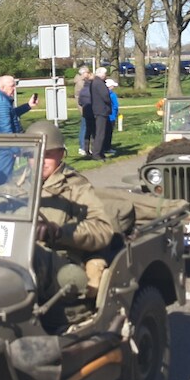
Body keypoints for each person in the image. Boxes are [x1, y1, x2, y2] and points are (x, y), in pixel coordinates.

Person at [23, 121, 119, 301]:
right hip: (16, 255)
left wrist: (59, 231)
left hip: (59, 261)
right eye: (33, 154)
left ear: (61, 154)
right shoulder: (17, 183)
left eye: (48, 155)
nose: (40, 161)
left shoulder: (76, 187)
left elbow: (103, 229)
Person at [0, 75, 38, 185]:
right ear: (2, 87)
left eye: (15, 85)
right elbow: (6, 128)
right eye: (11, 86)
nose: (14, 88)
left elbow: (12, 114)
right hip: (5, 146)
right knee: (3, 179)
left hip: (1, 144)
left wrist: (28, 105)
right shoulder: (1, 102)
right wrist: (14, 149)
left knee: (1, 175)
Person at [89, 67, 112, 160]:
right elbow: (105, 96)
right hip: (101, 110)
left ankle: (100, 152)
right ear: (102, 74)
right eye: (105, 74)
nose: (106, 76)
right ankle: (97, 153)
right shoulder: (99, 83)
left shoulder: (95, 82)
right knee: (100, 133)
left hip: (97, 109)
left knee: (100, 132)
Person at [73, 66, 92, 156]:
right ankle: (82, 147)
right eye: (87, 72)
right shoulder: (81, 83)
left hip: (84, 108)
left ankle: (85, 147)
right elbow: (81, 98)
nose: (88, 74)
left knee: (86, 128)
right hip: (84, 109)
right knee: (84, 128)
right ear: (83, 73)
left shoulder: (82, 82)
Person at [104, 78, 120, 157]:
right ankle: (107, 147)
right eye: (112, 86)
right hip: (112, 116)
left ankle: (103, 147)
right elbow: (116, 106)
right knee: (109, 133)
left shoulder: (103, 94)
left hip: (105, 116)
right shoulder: (112, 95)